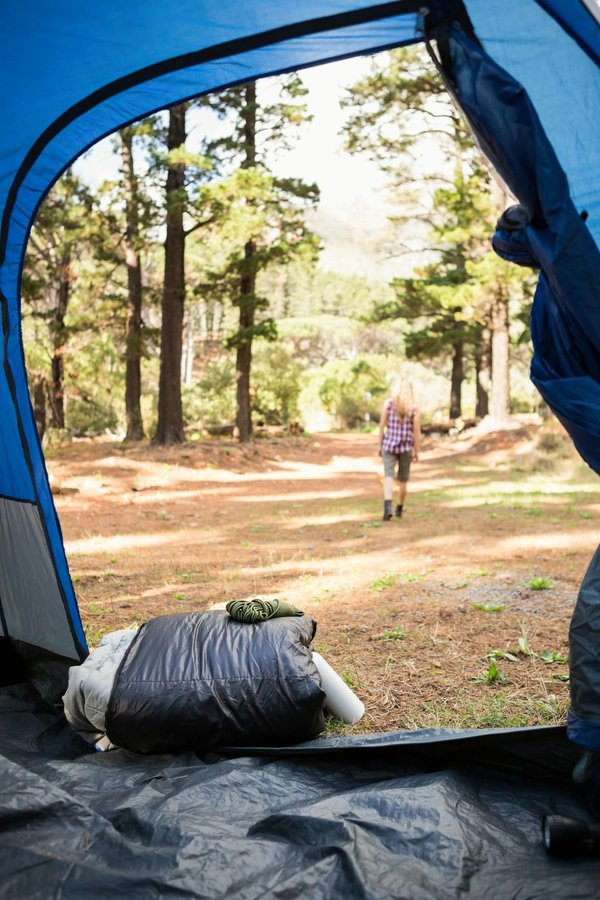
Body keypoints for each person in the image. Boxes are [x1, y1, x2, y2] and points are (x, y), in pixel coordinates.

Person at [378, 377, 421, 520]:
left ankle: (387, 506)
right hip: (406, 447)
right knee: (403, 479)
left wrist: (380, 444)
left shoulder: (389, 404)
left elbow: (382, 426)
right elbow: (416, 431)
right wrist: (417, 450)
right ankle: (399, 509)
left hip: (389, 445)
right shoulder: (414, 408)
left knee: (388, 476)